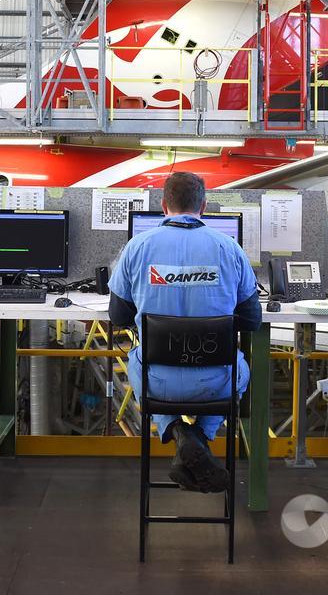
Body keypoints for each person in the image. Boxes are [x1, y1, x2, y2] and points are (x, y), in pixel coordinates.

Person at [108, 172, 261, 492]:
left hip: (157, 384)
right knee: (242, 368)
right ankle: (201, 436)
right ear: (203, 206)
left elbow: (119, 316)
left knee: (134, 360)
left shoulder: (138, 247)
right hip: (216, 383)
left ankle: (178, 431)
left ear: (163, 205)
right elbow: (251, 321)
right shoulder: (229, 248)